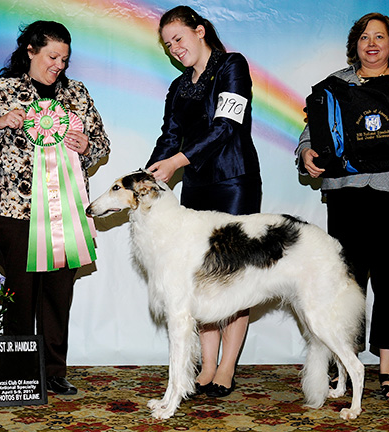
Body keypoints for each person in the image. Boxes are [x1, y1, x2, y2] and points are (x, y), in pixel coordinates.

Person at [0, 20, 110, 395]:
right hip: (12, 213)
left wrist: (86, 146)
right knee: (20, 297)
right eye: (52, 56)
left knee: (59, 296)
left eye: (65, 59)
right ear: (30, 50)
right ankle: (17, 375)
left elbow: (102, 145)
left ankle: (54, 371)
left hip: (68, 214)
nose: (59, 65)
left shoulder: (77, 94)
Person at [296, 13, 389, 399]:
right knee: (345, 284)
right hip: (348, 195)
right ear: (356, 45)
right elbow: (309, 133)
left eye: (380, 37)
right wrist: (305, 153)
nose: (372, 43)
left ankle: (386, 368)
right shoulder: (334, 85)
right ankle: (345, 366)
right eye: (365, 37)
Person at [146, 5, 262, 397]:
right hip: (195, 187)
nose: (175, 48)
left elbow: (226, 127)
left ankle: (227, 367)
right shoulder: (178, 88)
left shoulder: (232, 65)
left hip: (233, 182)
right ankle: (207, 365)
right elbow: (169, 137)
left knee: (234, 276)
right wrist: (147, 176)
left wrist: (178, 160)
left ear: (200, 31)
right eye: (168, 45)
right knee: (203, 279)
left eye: (178, 38)